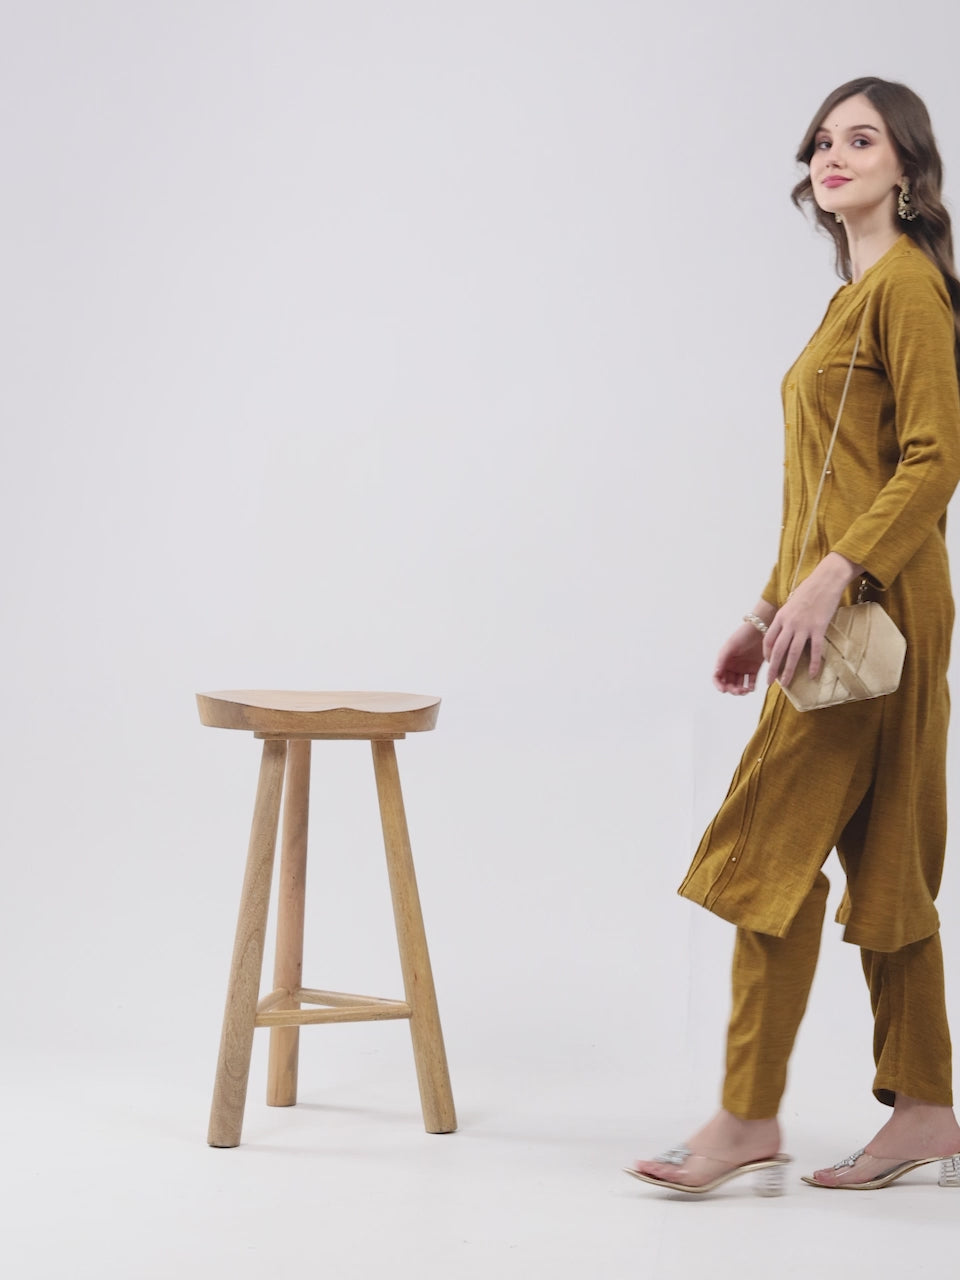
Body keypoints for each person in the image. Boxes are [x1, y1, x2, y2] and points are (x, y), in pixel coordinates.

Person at [628, 77, 960, 1195]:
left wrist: (831, 580)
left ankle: (745, 1116)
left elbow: (937, 458)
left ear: (908, 170)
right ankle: (926, 1111)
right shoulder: (852, 299)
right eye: (822, 140)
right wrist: (768, 609)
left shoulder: (908, 289)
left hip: (873, 611)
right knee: (887, 861)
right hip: (853, 606)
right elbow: (825, 484)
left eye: (862, 138)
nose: (834, 154)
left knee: (769, 847)